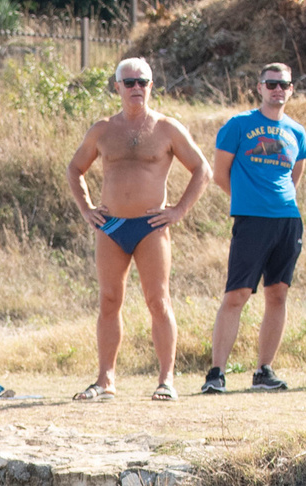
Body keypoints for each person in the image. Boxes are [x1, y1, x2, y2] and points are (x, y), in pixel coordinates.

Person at [65, 56, 208, 403]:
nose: (136, 88)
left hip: (150, 226)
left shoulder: (166, 128)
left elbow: (202, 168)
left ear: (151, 86)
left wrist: (179, 210)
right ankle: (105, 380)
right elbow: (75, 168)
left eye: (142, 81)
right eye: (129, 82)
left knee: (158, 300)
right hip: (110, 226)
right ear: (117, 87)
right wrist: (86, 209)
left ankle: (166, 379)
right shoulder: (102, 129)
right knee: (109, 300)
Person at [204, 63, 306, 396]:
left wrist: (276, 205)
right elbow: (220, 174)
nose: (278, 90)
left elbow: (295, 176)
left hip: (287, 220)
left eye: (284, 85)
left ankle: (264, 371)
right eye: (271, 84)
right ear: (260, 88)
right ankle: (216, 373)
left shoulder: (297, 132)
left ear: (291, 89)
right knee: (237, 294)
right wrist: (249, 201)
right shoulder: (239, 125)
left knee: (277, 293)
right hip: (251, 221)